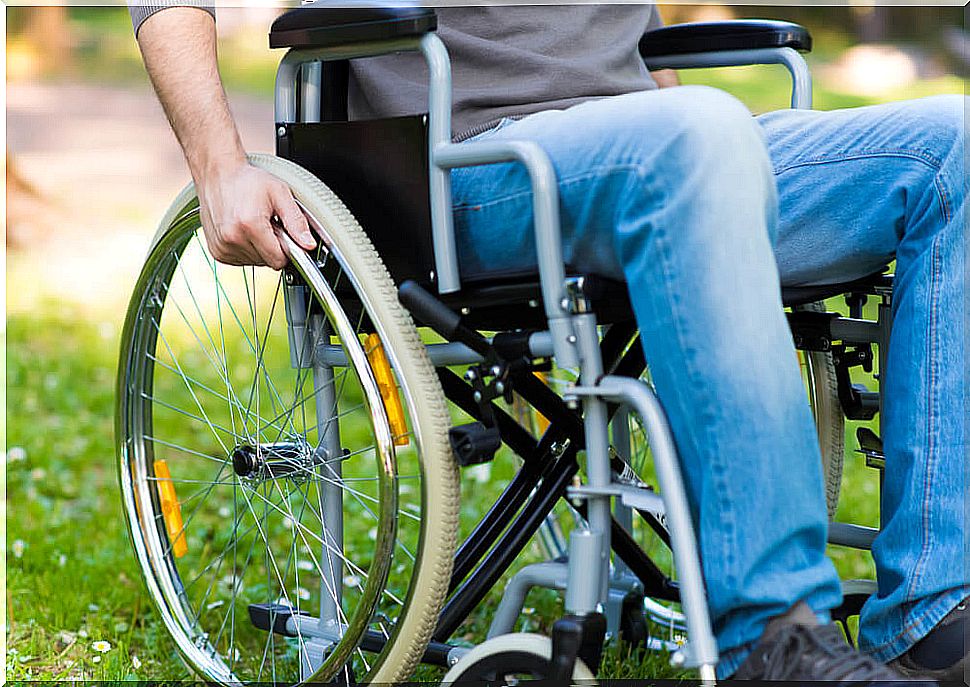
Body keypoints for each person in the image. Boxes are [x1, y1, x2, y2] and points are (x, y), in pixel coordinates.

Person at [129, 1, 968, 681]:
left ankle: (932, 615)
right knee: (699, 136)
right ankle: (776, 636)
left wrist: (685, 135)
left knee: (953, 148)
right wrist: (218, 166)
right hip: (466, 161)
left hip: (650, 142)